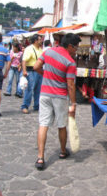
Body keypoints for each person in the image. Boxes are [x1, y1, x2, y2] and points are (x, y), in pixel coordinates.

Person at [33, 33, 81, 170]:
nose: (76, 50)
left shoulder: (48, 52)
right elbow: (70, 85)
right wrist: (73, 103)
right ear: (70, 46)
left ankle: (40, 158)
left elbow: (36, 67)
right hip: (59, 96)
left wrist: (46, 75)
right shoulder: (70, 62)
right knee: (61, 125)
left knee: (43, 124)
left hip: (45, 94)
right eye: (76, 48)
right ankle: (62, 151)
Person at [21, 34, 43, 114]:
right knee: (29, 89)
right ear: (35, 41)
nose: (41, 41)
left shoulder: (40, 49)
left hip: (39, 71)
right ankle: (25, 106)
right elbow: (24, 61)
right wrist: (24, 71)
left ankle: (37, 105)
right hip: (31, 71)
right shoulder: (29, 49)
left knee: (38, 90)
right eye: (40, 39)